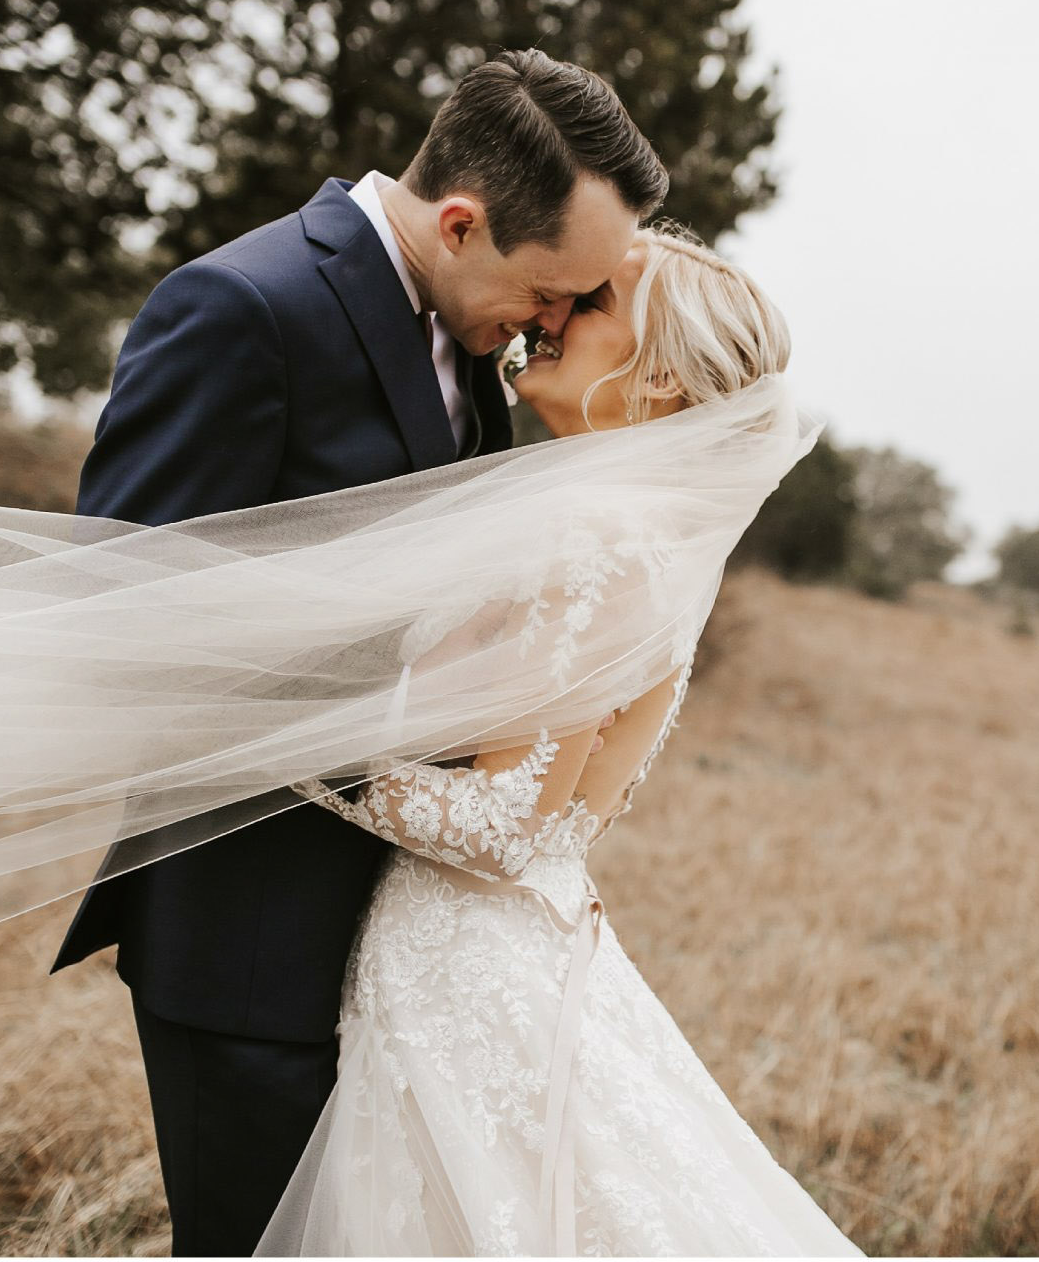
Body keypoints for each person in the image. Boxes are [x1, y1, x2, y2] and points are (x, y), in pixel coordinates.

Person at [47, 48, 669, 1255]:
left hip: (410, 953)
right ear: (459, 220)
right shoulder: (244, 307)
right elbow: (118, 609)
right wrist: (345, 754)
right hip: (248, 939)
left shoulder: (472, 348)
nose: (554, 324)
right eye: (553, 290)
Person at [256, 227, 861, 1256]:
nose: (551, 314)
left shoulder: (592, 529)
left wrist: (290, 743)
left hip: (466, 972)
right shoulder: (658, 538)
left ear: (660, 369)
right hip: (532, 942)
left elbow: (501, 825)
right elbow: (583, 808)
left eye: (590, 304)